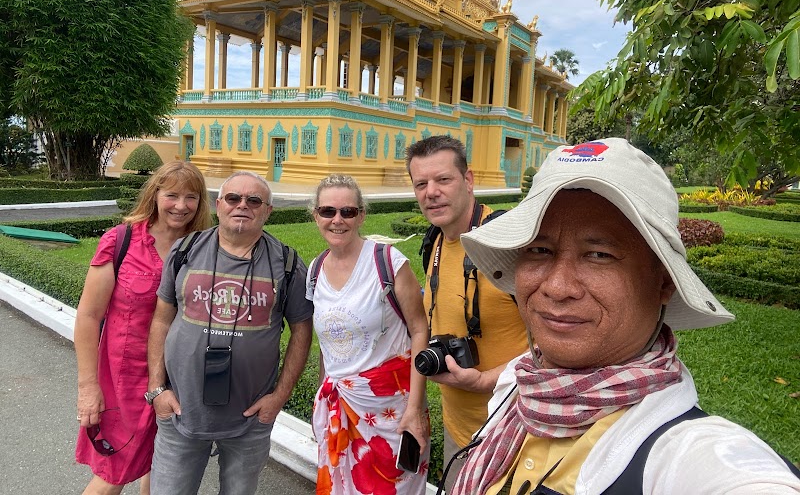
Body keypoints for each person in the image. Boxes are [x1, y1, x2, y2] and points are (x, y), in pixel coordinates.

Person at [452, 138, 800, 494]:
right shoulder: (521, 382)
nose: (557, 287)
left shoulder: (685, 456)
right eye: (539, 250)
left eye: (599, 254)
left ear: (662, 282)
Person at [146, 170, 313, 495]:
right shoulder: (185, 251)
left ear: (268, 211)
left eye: (254, 200)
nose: (243, 206)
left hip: (249, 421)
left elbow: (302, 331)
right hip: (180, 410)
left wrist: (279, 398)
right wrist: (156, 389)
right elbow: (161, 320)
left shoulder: (287, 263)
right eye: (234, 198)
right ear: (219, 204)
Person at [75, 161, 213, 495]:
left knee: (162, 472)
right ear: (155, 195)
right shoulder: (121, 241)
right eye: (172, 195)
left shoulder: (204, 248)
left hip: (179, 379)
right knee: (113, 474)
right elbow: (88, 317)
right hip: (123, 380)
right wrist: (88, 387)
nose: (181, 206)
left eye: (190, 197)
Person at [405, 135, 529, 490]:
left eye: (443, 179)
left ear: (468, 180)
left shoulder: (509, 245)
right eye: (421, 184)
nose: (431, 192)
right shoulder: (434, 242)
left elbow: (555, 349)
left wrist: (485, 381)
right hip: (458, 430)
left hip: (514, 432)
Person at [306, 174, 430, 494]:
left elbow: (419, 330)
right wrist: (323, 399)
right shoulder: (316, 269)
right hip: (339, 408)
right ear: (315, 215)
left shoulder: (388, 262)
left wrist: (415, 410)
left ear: (361, 215)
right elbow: (327, 345)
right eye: (327, 211)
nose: (337, 220)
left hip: (393, 416)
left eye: (347, 212)